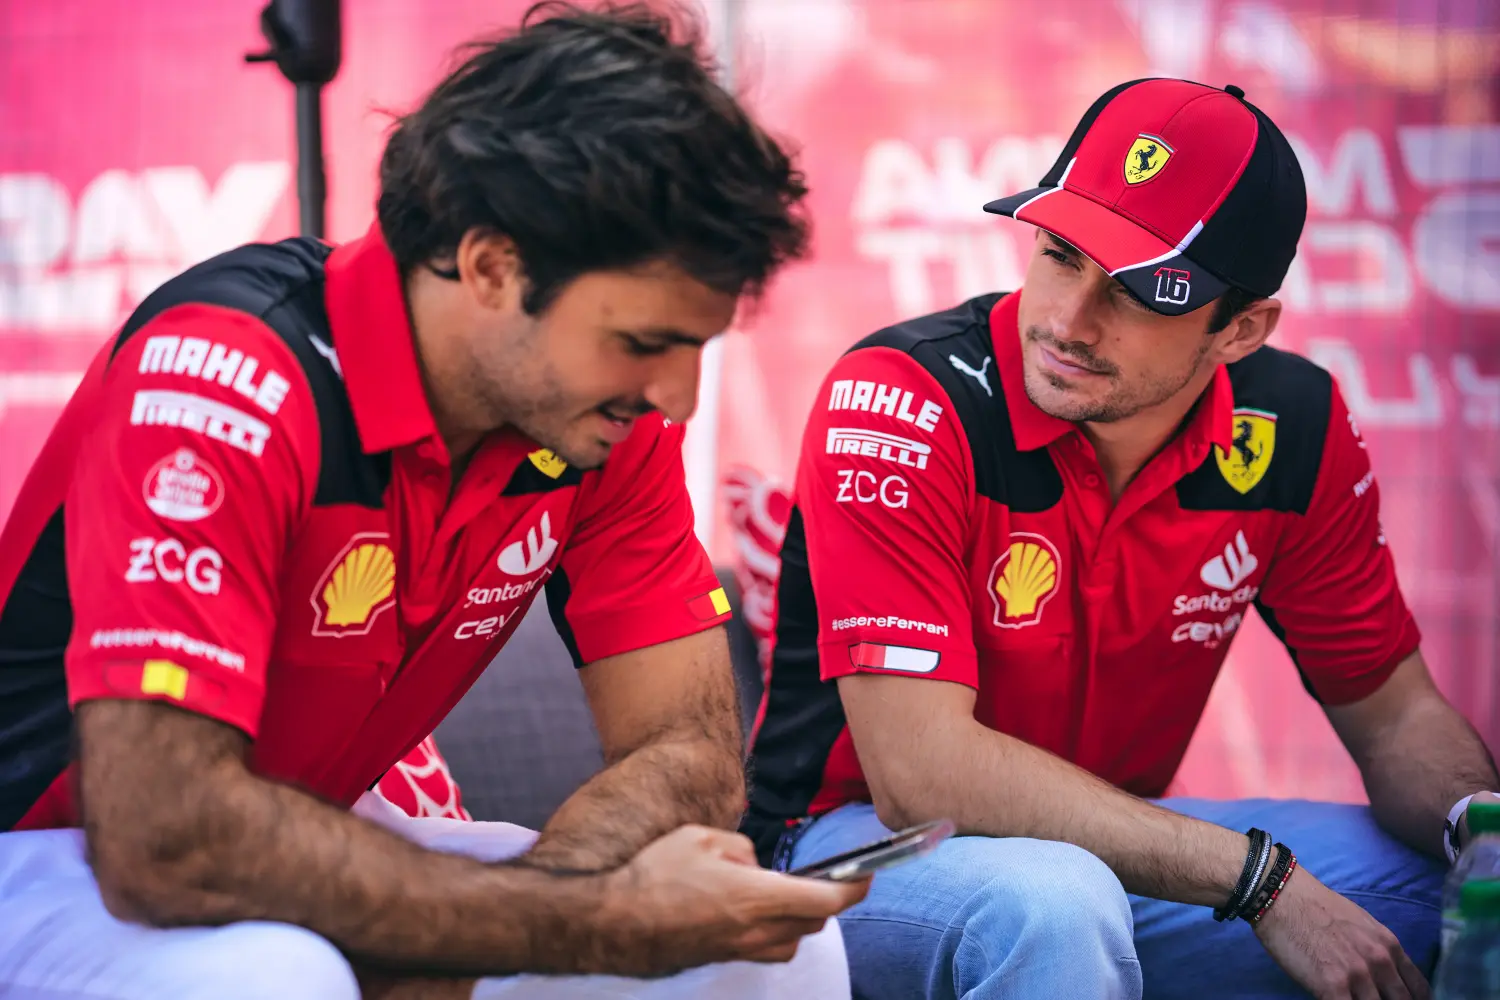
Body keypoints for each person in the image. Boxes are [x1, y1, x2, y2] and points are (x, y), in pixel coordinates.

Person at [0, 4, 867, 998]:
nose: (678, 395)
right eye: (641, 342)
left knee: (767, 952)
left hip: (295, 838)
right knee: (272, 976)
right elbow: (163, 831)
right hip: (51, 856)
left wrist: (513, 927)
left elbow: (691, 752)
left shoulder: (604, 422)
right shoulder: (229, 374)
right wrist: (574, 924)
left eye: (696, 346)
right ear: (492, 266)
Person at [744, 77, 1499, 1000]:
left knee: (1454, 892)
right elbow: (921, 775)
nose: (1068, 321)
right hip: (844, 854)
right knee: (1056, 906)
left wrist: (1478, 822)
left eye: (1143, 292)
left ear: (1242, 329)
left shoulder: (1294, 427)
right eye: (1061, 253)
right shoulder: (904, 396)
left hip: (1107, 850)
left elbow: (1395, 716)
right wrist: (1260, 882)